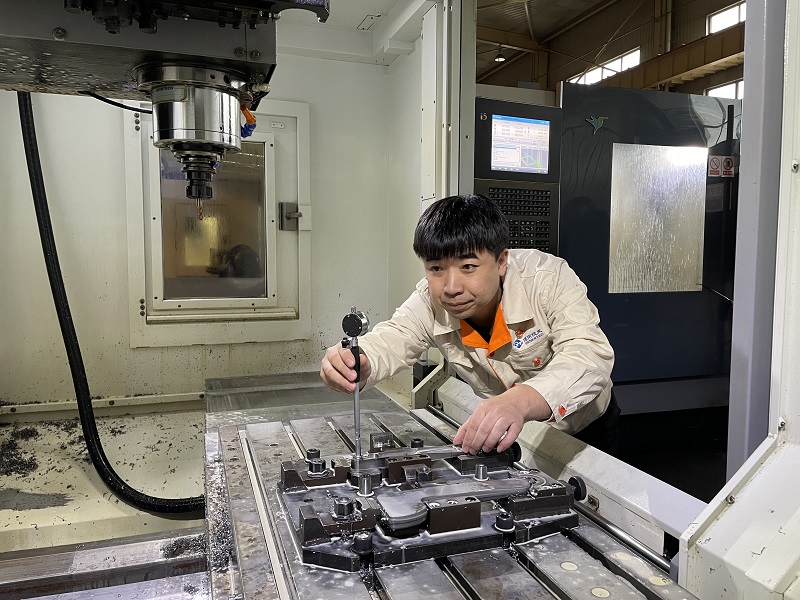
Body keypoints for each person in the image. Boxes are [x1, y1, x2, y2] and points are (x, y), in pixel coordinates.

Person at [320, 194, 617, 455]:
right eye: (436, 268)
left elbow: (588, 355)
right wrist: (358, 361)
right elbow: (394, 336)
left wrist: (519, 401)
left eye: (468, 267)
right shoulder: (429, 301)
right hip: (510, 433)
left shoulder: (546, 279)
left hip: (585, 427)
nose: (451, 287)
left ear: (501, 261)